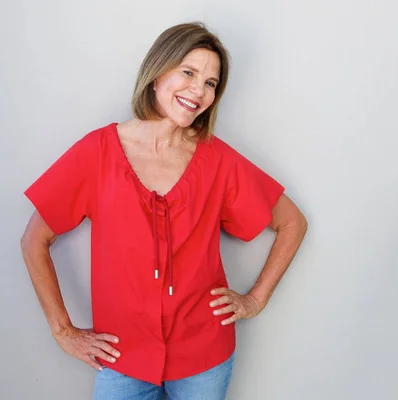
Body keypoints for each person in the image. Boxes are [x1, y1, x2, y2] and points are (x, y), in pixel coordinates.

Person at [20, 22, 308, 400]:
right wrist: (64, 332)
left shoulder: (218, 161)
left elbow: (292, 222)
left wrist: (254, 300)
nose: (199, 90)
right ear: (157, 74)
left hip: (204, 358)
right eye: (188, 72)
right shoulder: (98, 153)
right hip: (122, 357)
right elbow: (34, 239)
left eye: (210, 83)